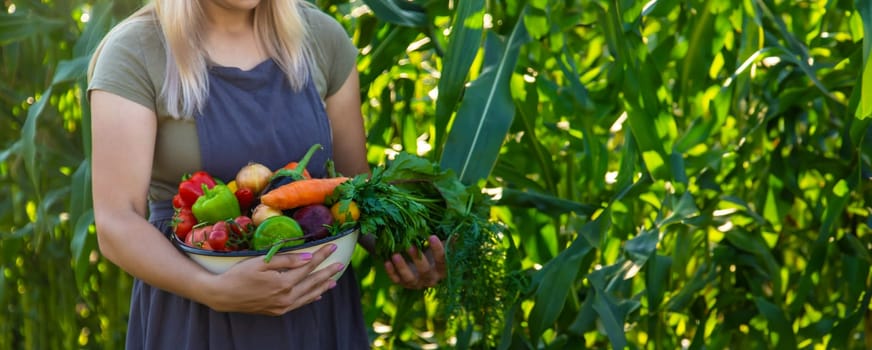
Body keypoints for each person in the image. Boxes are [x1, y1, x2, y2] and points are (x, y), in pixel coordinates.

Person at [87, 0, 447, 348]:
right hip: (194, 314)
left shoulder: (320, 37)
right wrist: (210, 290)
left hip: (315, 310)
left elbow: (356, 190)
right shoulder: (135, 52)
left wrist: (404, 248)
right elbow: (118, 221)